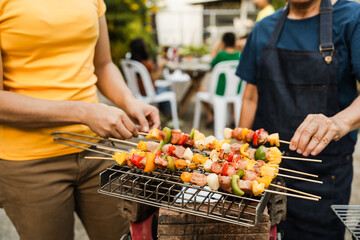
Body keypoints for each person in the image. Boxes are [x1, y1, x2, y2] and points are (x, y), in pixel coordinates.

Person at [0, 1, 160, 240]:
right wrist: (84, 113)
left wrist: (129, 101)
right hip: (30, 162)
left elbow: (103, 65)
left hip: (98, 149)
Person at [236, 0, 360, 239]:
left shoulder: (351, 18)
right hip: (264, 175)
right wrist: (239, 145)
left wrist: (339, 122)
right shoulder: (262, 29)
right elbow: (251, 96)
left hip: (323, 177)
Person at [203, 32, 241, 128]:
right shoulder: (239, 55)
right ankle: (232, 119)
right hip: (236, 92)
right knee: (231, 99)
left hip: (220, 92)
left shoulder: (221, 55)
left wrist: (215, 49)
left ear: (223, 42)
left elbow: (211, 65)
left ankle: (210, 116)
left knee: (200, 90)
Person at [129, 37, 171, 119]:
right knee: (167, 88)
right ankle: (168, 114)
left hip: (138, 92)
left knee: (163, 87)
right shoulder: (146, 64)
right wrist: (161, 66)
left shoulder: (132, 63)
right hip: (148, 92)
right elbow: (154, 78)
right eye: (145, 46)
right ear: (142, 49)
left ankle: (163, 112)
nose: (147, 48)